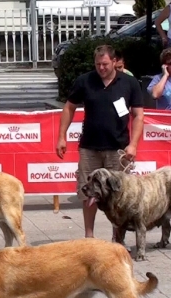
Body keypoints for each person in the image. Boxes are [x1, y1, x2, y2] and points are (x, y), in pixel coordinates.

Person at [57, 45, 144, 239]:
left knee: (118, 195)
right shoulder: (85, 81)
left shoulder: (129, 83)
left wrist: (134, 145)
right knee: (88, 193)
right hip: (90, 147)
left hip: (118, 149)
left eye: (105, 64)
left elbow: (138, 115)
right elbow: (69, 108)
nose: (101, 68)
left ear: (114, 62)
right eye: (98, 64)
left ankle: (117, 239)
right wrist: (62, 136)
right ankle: (89, 237)